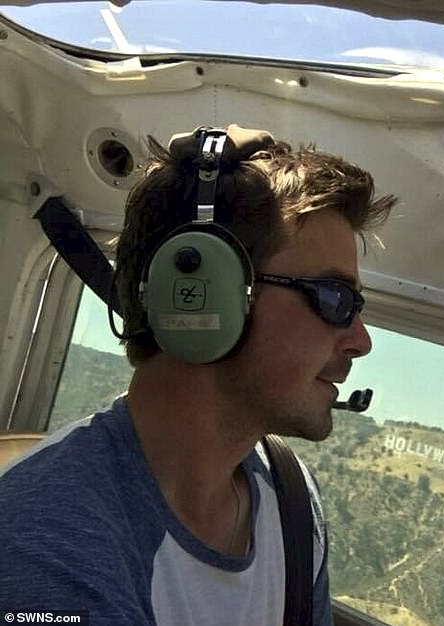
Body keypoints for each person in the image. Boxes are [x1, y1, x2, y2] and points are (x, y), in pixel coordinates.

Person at [0, 124, 396, 625]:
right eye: (335, 299)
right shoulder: (45, 543)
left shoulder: (293, 501)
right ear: (205, 289)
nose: (361, 341)